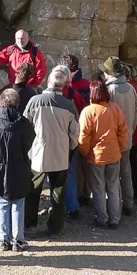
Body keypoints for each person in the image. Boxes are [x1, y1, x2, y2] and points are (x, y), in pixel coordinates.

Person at [22, 67, 79, 238]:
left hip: (38, 153)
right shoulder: (69, 105)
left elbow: (25, 127)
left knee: (33, 190)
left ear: (48, 81)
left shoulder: (34, 101)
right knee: (58, 191)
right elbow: (75, 133)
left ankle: (30, 226)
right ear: (64, 85)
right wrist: (68, 147)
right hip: (60, 154)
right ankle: (56, 228)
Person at [0, 89, 33, 252]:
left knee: (2, 202)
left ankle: (3, 239)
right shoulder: (23, 122)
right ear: (17, 103)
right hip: (20, 167)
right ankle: (18, 240)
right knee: (18, 203)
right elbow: (30, 142)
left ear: (1, 102)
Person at [77, 80, 129, 229]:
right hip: (113, 153)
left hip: (96, 156)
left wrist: (85, 152)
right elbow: (123, 131)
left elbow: (83, 137)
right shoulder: (115, 108)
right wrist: (119, 147)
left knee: (98, 188)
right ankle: (115, 219)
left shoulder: (88, 111)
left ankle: (102, 218)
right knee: (113, 185)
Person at [98, 56, 137, 216]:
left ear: (110, 73)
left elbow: (107, 117)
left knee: (113, 176)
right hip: (127, 137)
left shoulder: (109, 91)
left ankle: (115, 207)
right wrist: (130, 133)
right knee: (126, 171)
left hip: (113, 140)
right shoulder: (131, 89)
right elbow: (135, 114)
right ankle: (128, 203)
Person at [53, 65, 86, 221]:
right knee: (71, 173)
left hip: (52, 141)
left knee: (51, 175)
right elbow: (82, 117)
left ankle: (55, 206)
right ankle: (73, 207)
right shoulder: (75, 96)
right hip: (69, 140)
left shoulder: (45, 98)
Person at [62, 55, 92, 207]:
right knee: (85, 163)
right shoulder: (87, 84)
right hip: (86, 127)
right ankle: (86, 193)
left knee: (73, 166)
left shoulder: (66, 88)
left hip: (69, 130)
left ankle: (76, 195)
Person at [122, 65, 137, 202]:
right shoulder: (136, 88)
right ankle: (135, 190)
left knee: (126, 164)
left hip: (127, 131)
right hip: (135, 130)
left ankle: (128, 192)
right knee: (133, 161)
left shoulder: (128, 90)